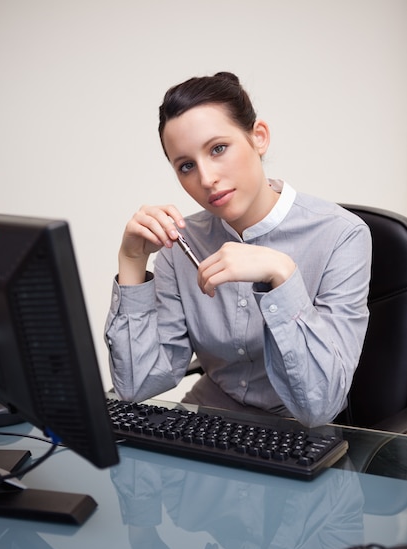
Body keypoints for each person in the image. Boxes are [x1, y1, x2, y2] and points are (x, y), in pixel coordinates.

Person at [105, 71, 372, 428]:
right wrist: (133, 262)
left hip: (300, 434)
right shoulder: (180, 244)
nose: (206, 178)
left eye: (218, 149)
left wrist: (282, 275)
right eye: (186, 166)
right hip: (209, 423)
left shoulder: (342, 235)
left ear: (258, 137)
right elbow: (136, 386)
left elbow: (319, 406)